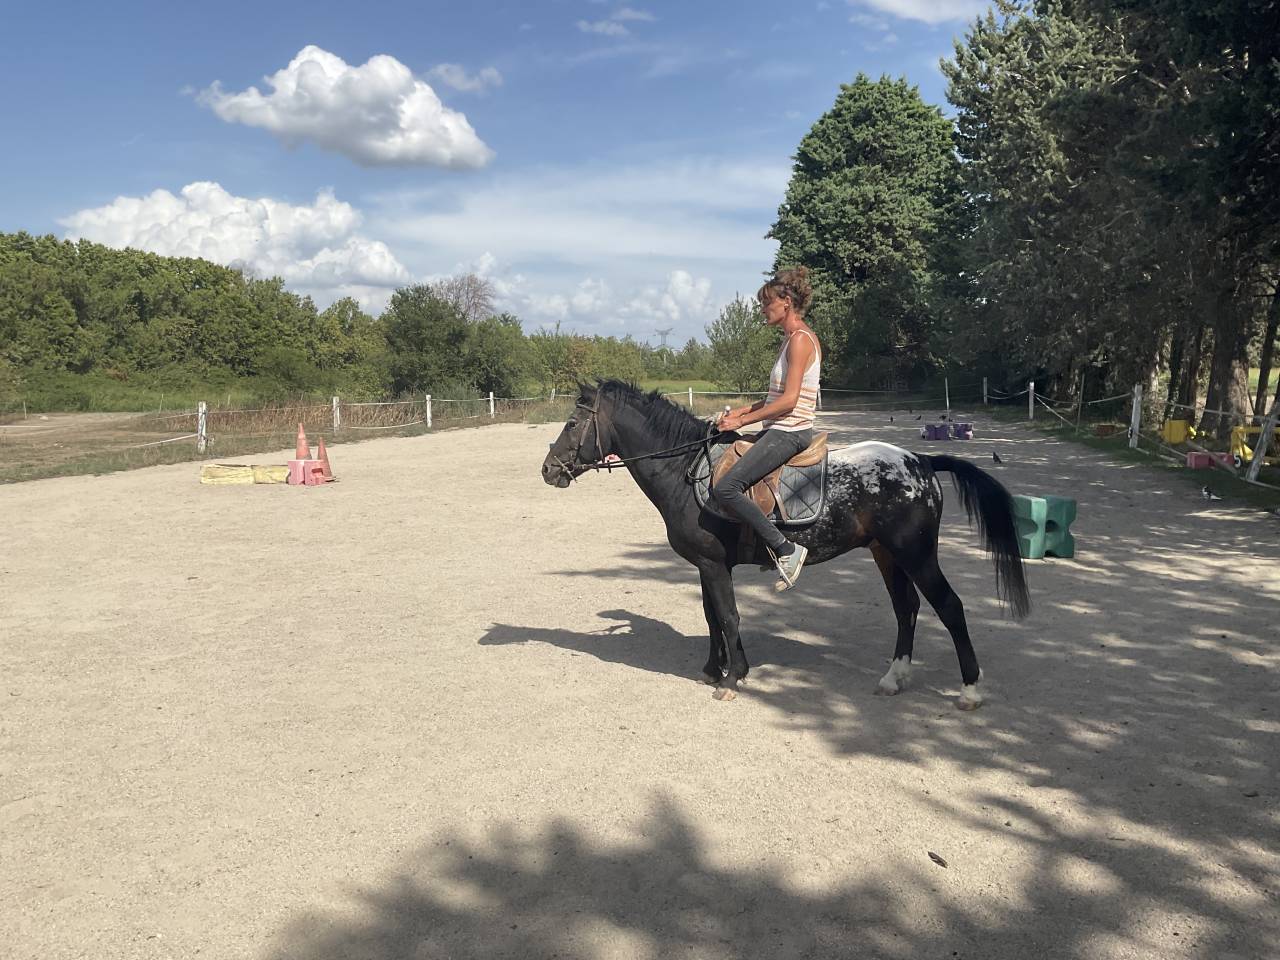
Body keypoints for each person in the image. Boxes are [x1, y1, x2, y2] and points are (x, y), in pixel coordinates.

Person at [712, 267, 822, 591]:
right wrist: (741, 412)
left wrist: (742, 422)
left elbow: (789, 401)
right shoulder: (789, 340)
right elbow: (774, 397)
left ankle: (786, 550)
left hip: (790, 431)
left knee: (727, 488)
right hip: (779, 428)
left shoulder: (800, 340)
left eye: (767, 303)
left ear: (786, 302)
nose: (762, 309)